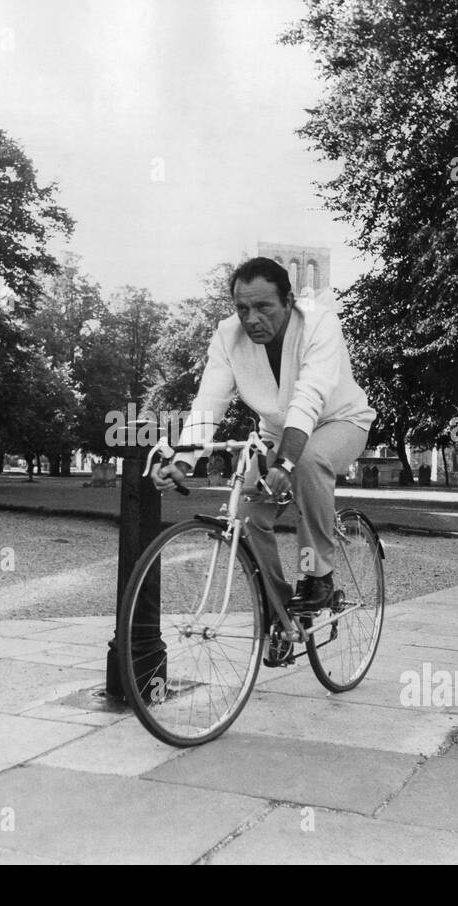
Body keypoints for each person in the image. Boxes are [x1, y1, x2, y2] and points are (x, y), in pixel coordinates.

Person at [150, 257, 376, 665]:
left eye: (263, 307)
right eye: (242, 308)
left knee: (307, 460)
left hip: (340, 421)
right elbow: (210, 401)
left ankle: (318, 574)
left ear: (288, 301)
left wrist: (284, 464)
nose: (251, 319)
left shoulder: (320, 322)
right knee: (247, 514)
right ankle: (279, 615)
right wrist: (183, 460)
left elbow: (309, 396)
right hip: (276, 433)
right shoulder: (227, 336)